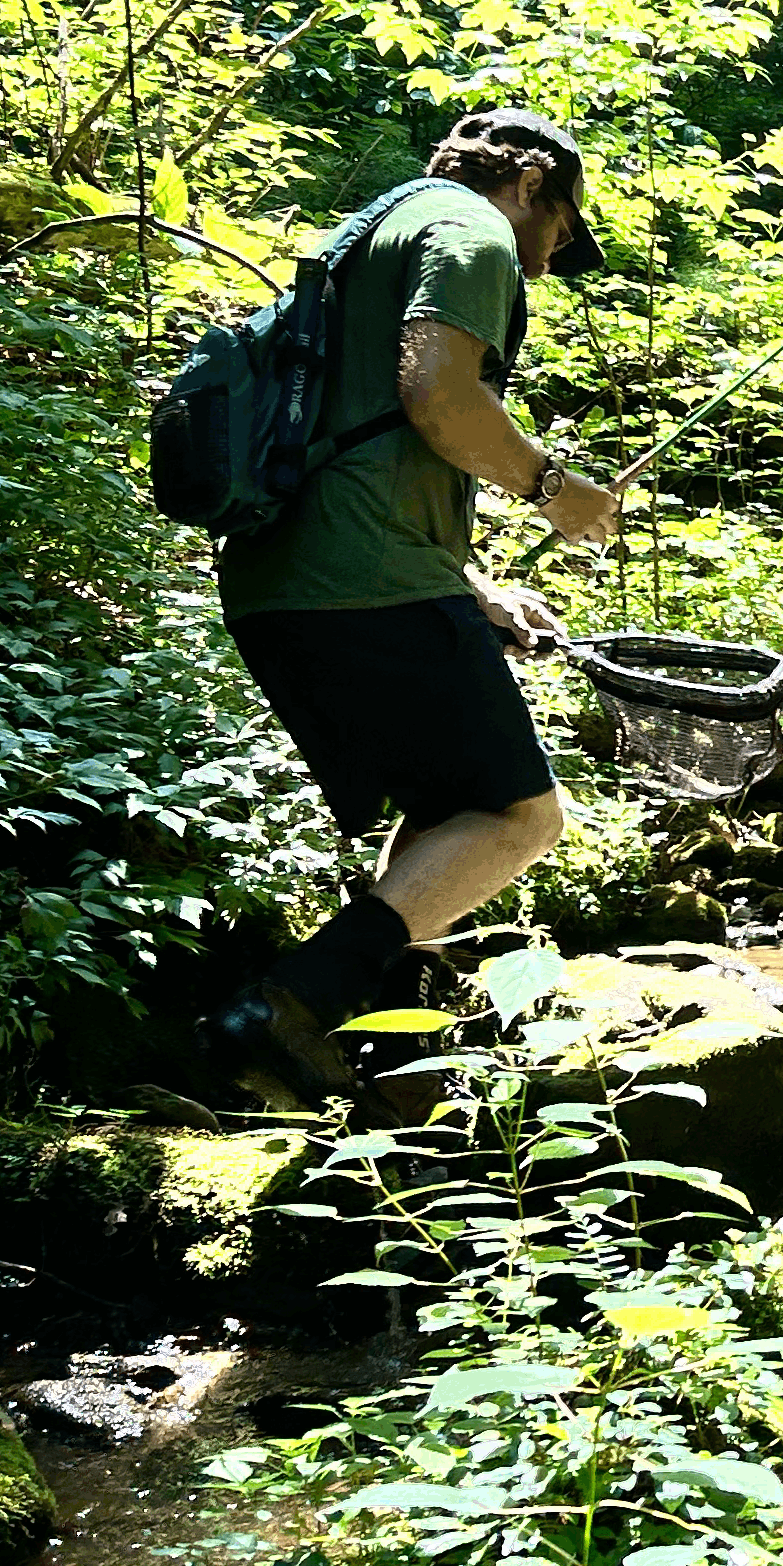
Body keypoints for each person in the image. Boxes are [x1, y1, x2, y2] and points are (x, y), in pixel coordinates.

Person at [208, 107, 624, 1105]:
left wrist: (473, 591)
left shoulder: (369, 234)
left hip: (284, 581)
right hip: (365, 580)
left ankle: (398, 1063)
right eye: (562, 229)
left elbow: (353, 432)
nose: (550, 260)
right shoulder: (471, 228)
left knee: (451, 813)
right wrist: (556, 492)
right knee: (523, 818)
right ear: (529, 181)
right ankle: (286, 1001)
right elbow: (438, 393)